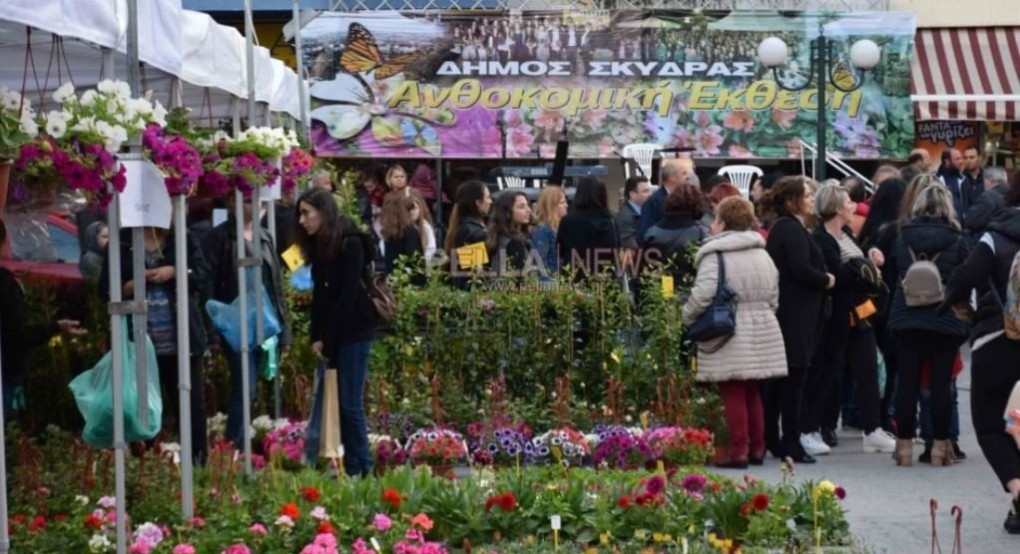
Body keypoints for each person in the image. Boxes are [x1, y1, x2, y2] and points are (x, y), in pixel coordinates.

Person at [682, 197, 787, 469]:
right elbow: (775, 296)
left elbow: (703, 294)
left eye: (716, 219)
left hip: (730, 330)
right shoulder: (762, 252)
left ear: (723, 222)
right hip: (763, 326)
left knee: (732, 391)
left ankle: (738, 451)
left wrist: (686, 316)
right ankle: (757, 447)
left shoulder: (715, 255)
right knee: (753, 390)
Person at [940, 172, 1020, 529]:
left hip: (997, 339)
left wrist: (951, 306)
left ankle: (1019, 491)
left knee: (990, 425)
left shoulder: (996, 234)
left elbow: (965, 277)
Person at [99, 223, 212, 464]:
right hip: (138, 345)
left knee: (191, 408)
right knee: (140, 409)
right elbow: (105, 291)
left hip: (182, 342)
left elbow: (203, 278)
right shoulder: (120, 244)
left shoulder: (183, 238)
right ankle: (144, 468)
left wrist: (175, 272)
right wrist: (132, 284)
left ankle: (198, 466)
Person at [803, 185, 895, 456]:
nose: (853, 206)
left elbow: (855, 264)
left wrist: (870, 255)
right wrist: (861, 269)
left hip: (860, 313)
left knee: (867, 372)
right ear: (836, 208)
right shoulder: (821, 238)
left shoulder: (846, 234)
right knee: (828, 374)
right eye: (848, 202)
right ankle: (814, 427)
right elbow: (838, 274)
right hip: (838, 316)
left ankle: (873, 429)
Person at [294, 188, 378, 477]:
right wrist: (316, 335)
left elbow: (347, 294)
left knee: (350, 402)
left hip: (356, 329)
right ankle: (351, 464)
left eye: (307, 213)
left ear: (323, 211)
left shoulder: (350, 241)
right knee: (341, 401)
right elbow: (320, 296)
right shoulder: (320, 245)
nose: (302, 220)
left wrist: (327, 338)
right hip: (336, 332)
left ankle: (362, 467)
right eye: (300, 214)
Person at [887, 184, 969, 466]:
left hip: (906, 317)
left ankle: (905, 447)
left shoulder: (902, 236)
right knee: (940, 387)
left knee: (906, 385)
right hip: (943, 319)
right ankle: (939, 448)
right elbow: (965, 276)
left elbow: (895, 272)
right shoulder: (957, 238)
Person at [203, 194, 291, 450]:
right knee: (245, 385)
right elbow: (207, 287)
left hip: (265, 322)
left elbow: (276, 286)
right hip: (234, 323)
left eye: (261, 201)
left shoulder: (266, 237)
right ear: (232, 202)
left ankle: (241, 444)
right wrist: (213, 332)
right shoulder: (218, 238)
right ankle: (236, 446)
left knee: (253, 386)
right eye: (250, 200)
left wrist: (284, 330)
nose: (258, 206)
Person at [761, 176, 835, 464]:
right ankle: (789, 441)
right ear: (792, 200)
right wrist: (827, 279)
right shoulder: (789, 229)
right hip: (795, 315)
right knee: (792, 381)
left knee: (783, 382)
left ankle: (775, 439)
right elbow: (801, 269)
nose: (810, 200)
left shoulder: (787, 227)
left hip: (794, 313)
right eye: (806, 195)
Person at [0, 219, 87, 418]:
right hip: (5, 368)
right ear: (5, 241)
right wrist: (53, 328)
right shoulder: (5, 284)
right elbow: (16, 334)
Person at [642, 185, 708, 292]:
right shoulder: (701, 233)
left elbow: (647, 271)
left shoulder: (652, 233)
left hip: (660, 290)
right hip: (691, 290)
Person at [557, 178, 621, 280]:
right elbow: (617, 251)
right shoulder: (612, 222)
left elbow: (560, 251)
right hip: (606, 283)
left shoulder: (568, 222)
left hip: (574, 285)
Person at [444, 181, 492, 287]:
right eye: (488, 197)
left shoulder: (462, 227)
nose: (490, 201)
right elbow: (475, 274)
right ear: (478, 202)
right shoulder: (474, 233)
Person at [637, 161, 690, 239]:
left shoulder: (685, 199)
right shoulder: (654, 202)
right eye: (683, 173)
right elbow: (644, 232)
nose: (688, 177)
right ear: (672, 177)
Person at [487, 192, 533, 276]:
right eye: (521, 207)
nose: (528, 210)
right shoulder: (513, 243)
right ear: (507, 213)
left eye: (528, 205)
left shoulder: (497, 236)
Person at [379, 194, 423, 279]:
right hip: (410, 280)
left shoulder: (388, 233)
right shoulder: (410, 231)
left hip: (394, 278)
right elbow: (414, 257)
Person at [532, 186, 568, 277]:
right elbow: (541, 264)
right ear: (552, 205)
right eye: (562, 202)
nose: (566, 205)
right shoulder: (543, 230)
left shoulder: (559, 228)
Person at [616, 176, 652, 252]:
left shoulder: (646, 211)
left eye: (649, 191)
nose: (650, 195)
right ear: (632, 194)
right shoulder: (625, 218)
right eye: (645, 191)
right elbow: (632, 247)